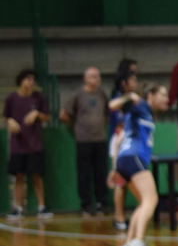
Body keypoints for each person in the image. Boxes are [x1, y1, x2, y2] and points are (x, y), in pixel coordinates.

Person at [109, 82, 171, 246]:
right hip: (134, 157)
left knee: (143, 202)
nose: (167, 99)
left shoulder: (144, 112)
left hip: (126, 159)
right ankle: (139, 240)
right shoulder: (141, 105)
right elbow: (112, 105)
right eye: (163, 95)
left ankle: (129, 242)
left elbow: (120, 138)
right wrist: (130, 96)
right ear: (150, 95)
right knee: (151, 199)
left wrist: (115, 166)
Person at [60, 66, 110, 216]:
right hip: (83, 140)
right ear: (86, 79)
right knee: (84, 174)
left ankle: (101, 203)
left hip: (100, 139)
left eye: (99, 76)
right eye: (94, 76)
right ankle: (86, 204)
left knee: (101, 172)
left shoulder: (102, 94)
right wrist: (75, 126)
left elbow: (108, 113)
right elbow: (64, 114)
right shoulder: (78, 95)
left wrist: (102, 124)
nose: (98, 79)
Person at [5, 69, 53, 220]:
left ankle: (41, 207)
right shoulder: (12, 98)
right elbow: (6, 116)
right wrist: (10, 121)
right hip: (18, 145)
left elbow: (48, 117)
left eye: (33, 79)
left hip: (34, 144)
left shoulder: (38, 97)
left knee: (37, 176)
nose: (31, 82)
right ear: (21, 80)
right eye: (28, 79)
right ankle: (18, 209)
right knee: (19, 176)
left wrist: (37, 113)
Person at [109, 61, 138, 231]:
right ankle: (119, 218)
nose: (135, 83)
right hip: (121, 142)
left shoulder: (134, 100)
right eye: (132, 80)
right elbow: (120, 125)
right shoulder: (120, 100)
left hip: (131, 142)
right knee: (121, 182)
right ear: (124, 83)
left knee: (126, 182)